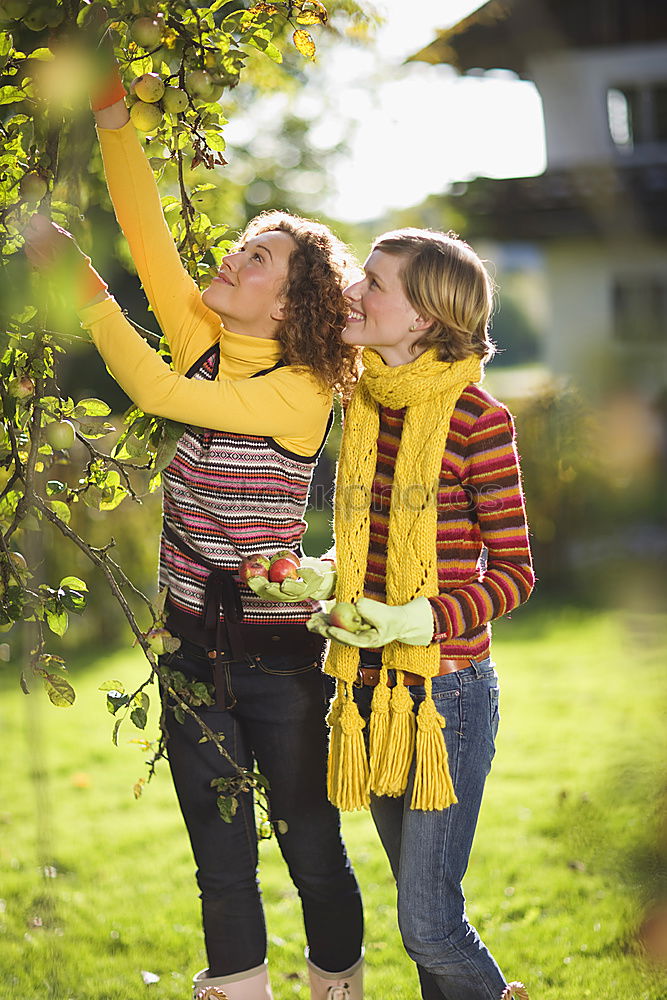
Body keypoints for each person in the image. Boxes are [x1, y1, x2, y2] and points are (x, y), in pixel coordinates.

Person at [23, 67, 365, 1000]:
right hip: (188, 650)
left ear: (293, 307)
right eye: (244, 244)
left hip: (277, 659)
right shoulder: (202, 329)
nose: (235, 257)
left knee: (312, 852)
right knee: (220, 861)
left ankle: (339, 985)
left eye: (260, 258)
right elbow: (144, 224)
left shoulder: (300, 390)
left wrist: (90, 295)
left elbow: (164, 396)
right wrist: (108, 115)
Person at [260, 228, 534, 1000]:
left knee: (428, 926)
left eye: (373, 284)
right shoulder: (365, 404)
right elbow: (369, 556)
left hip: (443, 698)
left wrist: (415, 621)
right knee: (428, 926)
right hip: (372, 695)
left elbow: (513, 576)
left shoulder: (479, 420)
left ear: (421, 319)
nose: (354, 291)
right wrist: (314, 578)